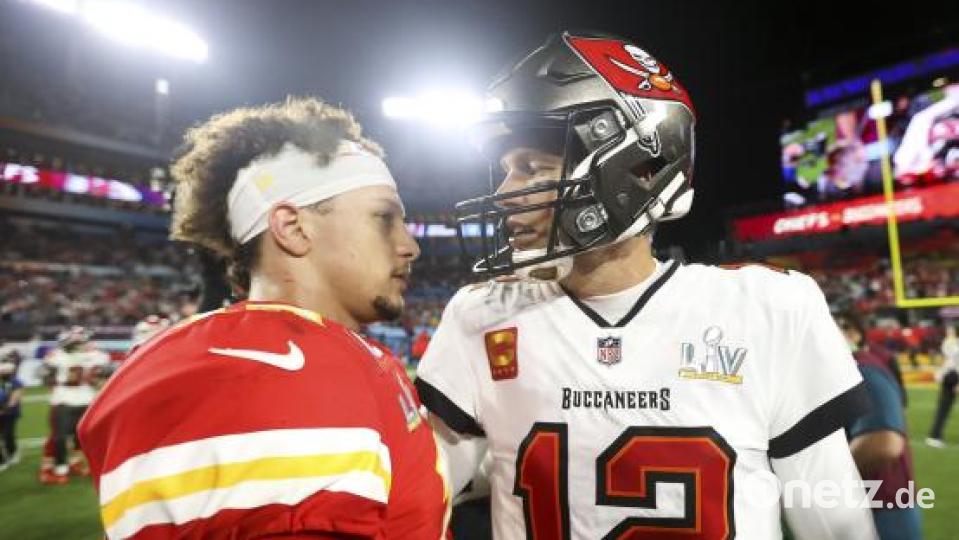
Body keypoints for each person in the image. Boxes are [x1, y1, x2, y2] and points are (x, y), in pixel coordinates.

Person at [417, 31, 877, 539]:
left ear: (636, 168)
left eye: (531, 168)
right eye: (505, 171)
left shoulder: (767, 308)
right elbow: (419, 502)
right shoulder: (483, 315)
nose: (504, 194)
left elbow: (834, 520)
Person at [78, 97, 449, 539]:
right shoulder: (273, 370)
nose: (410, 245)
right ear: (292, 228)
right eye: (384, 219)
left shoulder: (331, 350)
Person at [839, 314, 921, 539]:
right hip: (877, 505)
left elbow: (883, 444)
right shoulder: (854, 366)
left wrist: (825, 488)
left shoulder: (860, 368)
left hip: (881, 507)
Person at [39, 326, 110, 484]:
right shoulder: (58, 356)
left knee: (81, 435)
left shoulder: (94, 356)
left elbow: (102, 375)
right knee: (59, 436)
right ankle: (57, 468)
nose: (80, 344)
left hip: (84, 397)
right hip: (65, 398)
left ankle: (74, 463)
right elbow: (44, 375)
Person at [927, 324, 958, 448]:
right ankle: (934, 436)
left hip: (951, 376)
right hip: (951, 377)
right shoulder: (950, 343)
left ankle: (934, 436)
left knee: (943, 408)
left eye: (951, 330)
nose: (948, 332)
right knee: (943, 409)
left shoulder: (951, 343)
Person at [0, 351, 24, 470]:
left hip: (10, 413)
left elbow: (16, 396)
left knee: (8, 435)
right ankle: (2, 461)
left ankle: (13, 452)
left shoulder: (14, 381)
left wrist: (6, 408)